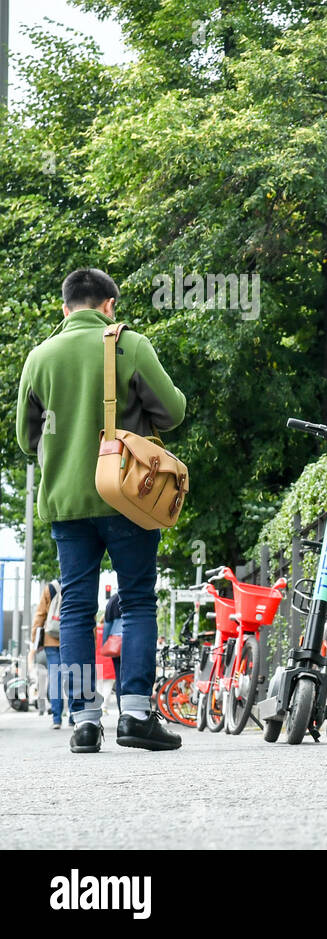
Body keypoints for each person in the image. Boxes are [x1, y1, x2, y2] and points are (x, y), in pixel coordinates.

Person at [14, 268, 187, 754]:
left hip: (66, 502)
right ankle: (135, 714)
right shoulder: (129, 344)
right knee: (136, 600)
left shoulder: (39, 357)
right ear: (108, 304)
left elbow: (27, 441)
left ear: (65, 308)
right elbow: (172, 412)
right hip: (126, 495)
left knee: (75, 608)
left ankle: (85, 721)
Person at [27, 579, 63, 728]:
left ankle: (56, 718)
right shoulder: (76, 584)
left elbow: (40, 615)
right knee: (75, 674)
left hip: (50, 639)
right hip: (72, 638)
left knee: (55, 677)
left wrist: (35, 640)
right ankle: (75, 715)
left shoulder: (50, 588)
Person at [103, 586, 124, 711]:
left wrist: (105, 643)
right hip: (133, 641)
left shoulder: (114, 600)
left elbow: (107, 624)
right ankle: (134, 711)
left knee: (119, 677)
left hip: (116, 644)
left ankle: (122, 711)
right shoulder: (135, 596)